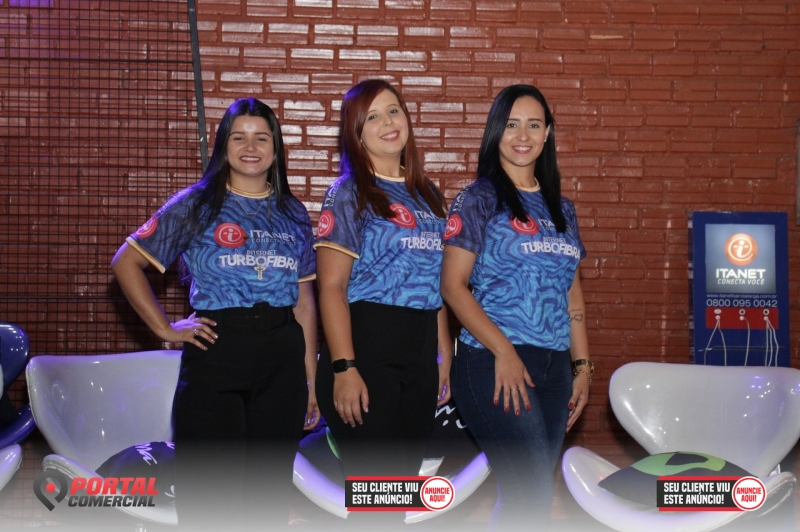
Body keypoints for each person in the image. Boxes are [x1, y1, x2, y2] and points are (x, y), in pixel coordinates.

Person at [111, 97, 319, 531]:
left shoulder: (294, 213)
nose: (250, 147)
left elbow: (304, 301)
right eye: (238, 137)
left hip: (282, 358)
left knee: (267, 498)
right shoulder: (196, 204)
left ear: (276, 148)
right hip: (217, 351)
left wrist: (310, 380)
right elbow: (125, 263)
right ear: (223, 145)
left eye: (261, 138)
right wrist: (166, 328)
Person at [440, 84, 592, 531]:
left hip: (554, 369)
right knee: (529, 491)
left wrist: (582, 366)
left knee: (534, 495)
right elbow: (453, 286)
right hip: (494, 362)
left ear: (547, 134)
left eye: (534, 124)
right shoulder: (479, 199)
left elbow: (572, 295)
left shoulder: (563, 209)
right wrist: (504, 351)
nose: (522, 135)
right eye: (511, 124)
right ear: (496, 132)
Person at [314, 80, 452, 525]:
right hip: (365, 352)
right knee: (375, 505)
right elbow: (330, 288)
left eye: (393, 111)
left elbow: (437, 282)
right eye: (371, 117)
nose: (387, 123)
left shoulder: (429, 194)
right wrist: (344, 367)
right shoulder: (348, 192)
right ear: (355, 133)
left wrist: (443, 353)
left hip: (419, 355)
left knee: (396, 503)